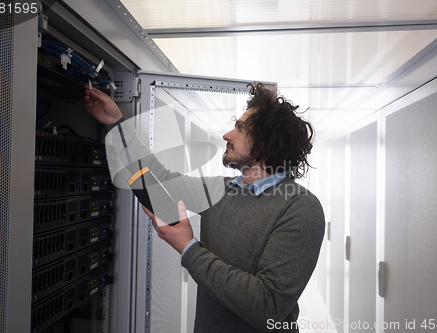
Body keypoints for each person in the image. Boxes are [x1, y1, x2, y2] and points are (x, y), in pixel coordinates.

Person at [84, 82, 325, 333]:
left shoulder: (301, 208)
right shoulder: (220, 190)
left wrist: (188, 248)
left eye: (240, 128)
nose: (227, 135)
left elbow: (267, 306)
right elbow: (158, 177)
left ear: (265, 142)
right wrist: (117, 123)